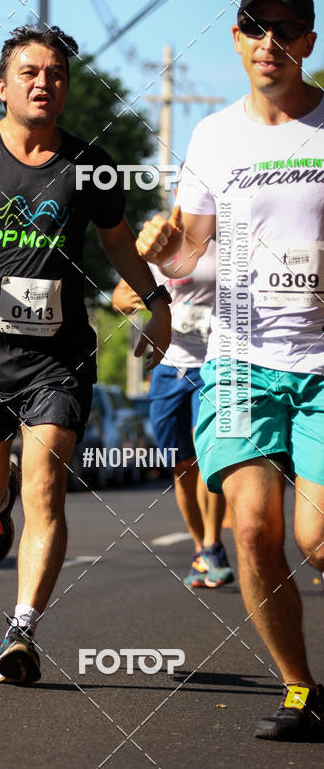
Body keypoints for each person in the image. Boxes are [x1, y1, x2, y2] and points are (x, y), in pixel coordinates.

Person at [0, 25, 172, 685]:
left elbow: (121, 245)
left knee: (45, 487)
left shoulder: (89, 165)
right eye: (30, 73)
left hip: (58, 358)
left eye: (56, 75)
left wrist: (158, 301)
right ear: (2, 86)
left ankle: (21, 630)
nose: (44, 82)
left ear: (67, 89)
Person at [136, 0, 324, 740]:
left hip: (321, 366)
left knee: (317, 537)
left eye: (286, 28)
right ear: (239, 38)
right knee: (251, 529)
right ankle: (302, 692)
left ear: (309, 40)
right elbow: (186, 254)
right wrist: (161, 243)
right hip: (241, 360)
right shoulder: (213, 136)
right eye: (256, 27)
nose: (270, 42)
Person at [112, 235, 235, 588]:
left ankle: (213, 545)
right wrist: (143, 300)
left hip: (214, 364)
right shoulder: (157, 244)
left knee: (209, 453)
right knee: (182, 464)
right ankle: (201, 549)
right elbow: (120, 295)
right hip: (167, 367)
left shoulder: (229, 241)